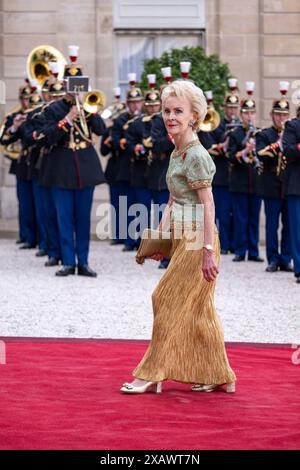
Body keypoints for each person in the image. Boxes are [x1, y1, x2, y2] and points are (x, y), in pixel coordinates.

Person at [121, 80, 236, 394]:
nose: (170, 116)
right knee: (200, 309)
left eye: (178, 111)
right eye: (167, 110)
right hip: (183, 236)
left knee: (165, 299)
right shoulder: (177, 150)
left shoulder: (197, 155)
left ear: (194, 116)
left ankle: (152, 373)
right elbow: (173, 200)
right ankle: (219, 375)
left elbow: (207, 203)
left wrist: (209, 250)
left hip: (199, 238)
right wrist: (161, 238)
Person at [256, 85, 292, 273]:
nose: (281, 119)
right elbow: (260, 154)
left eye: (284, 115)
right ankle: (272, 258)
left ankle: (286, 258)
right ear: (272, 115)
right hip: (271, 184)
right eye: (278, 115)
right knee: (272, 223)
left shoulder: (293, 133)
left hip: (288, 184)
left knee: (289, 224)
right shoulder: (264, 134)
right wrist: (277, 145)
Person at [227, 83, 263, 262]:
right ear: (241, 114)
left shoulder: (259, 134)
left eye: (252, 113)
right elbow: (230, 157)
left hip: (255, 182)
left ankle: (254, 251)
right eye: (246, 113)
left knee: (254, 219)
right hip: (239, 181)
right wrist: (244, 150)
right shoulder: (234, 134)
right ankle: (240, 251)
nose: (249, 116)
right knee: (240, 218)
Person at [282, 111, 300, 284]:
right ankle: (299, 268)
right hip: (297, 186)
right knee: (297, 230)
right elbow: (287, 149)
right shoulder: (293, 125)